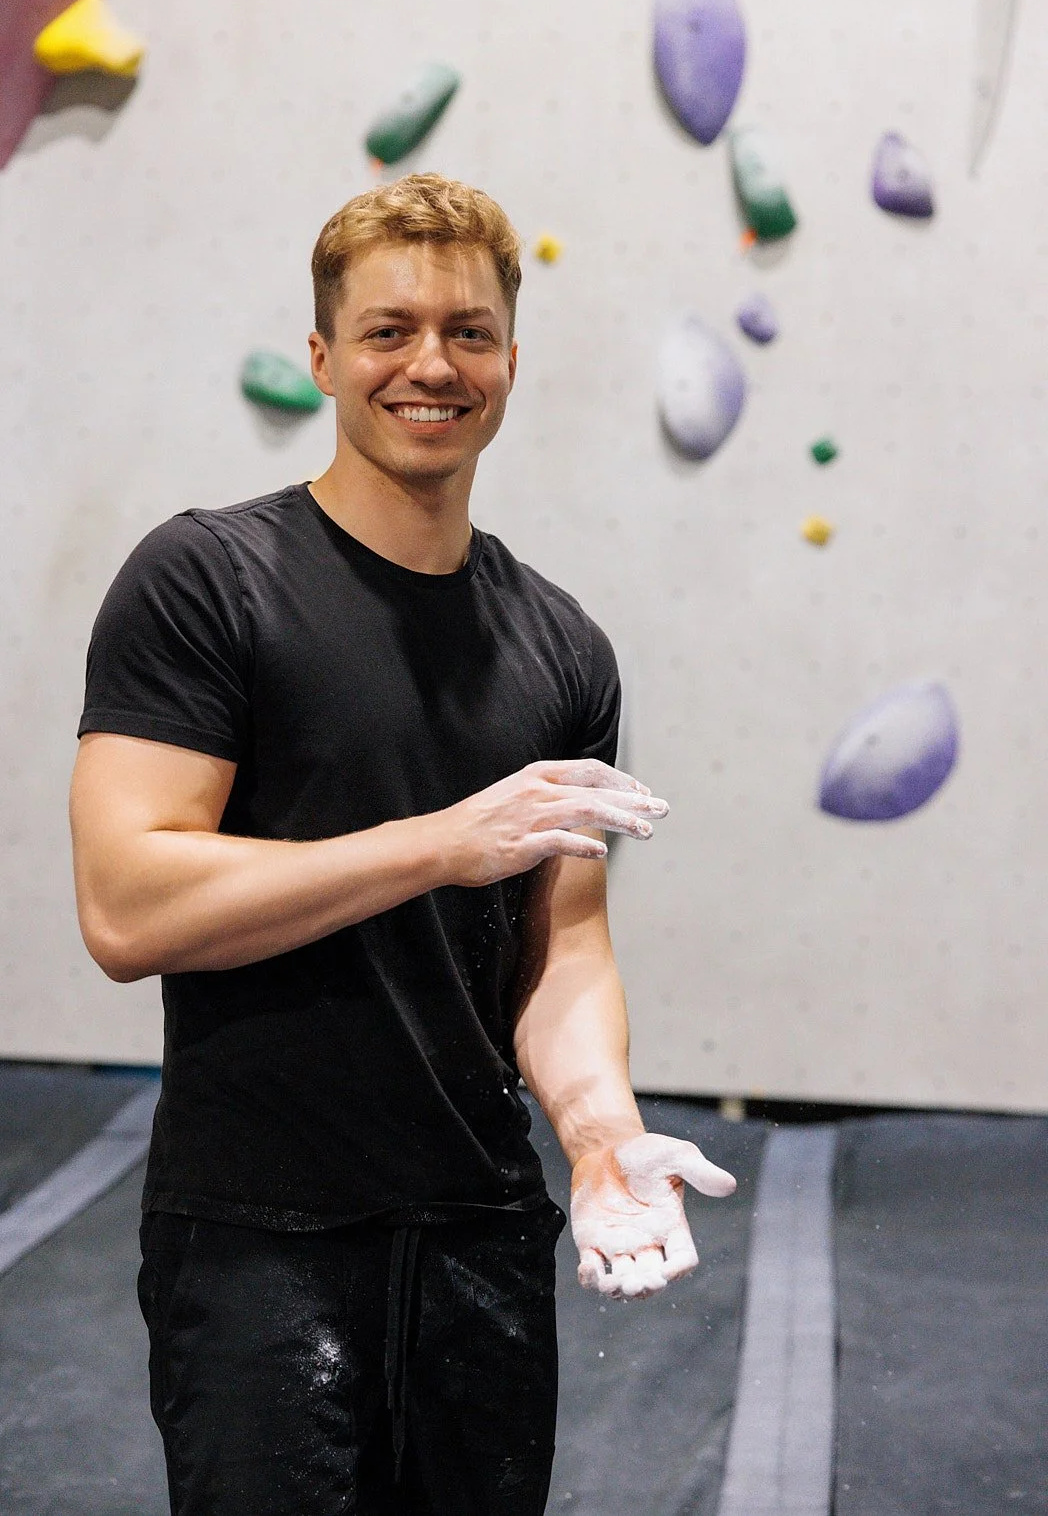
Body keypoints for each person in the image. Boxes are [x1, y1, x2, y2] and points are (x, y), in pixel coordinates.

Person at [68, 171, 737, 1516]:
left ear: (509, 362)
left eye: (468, 332)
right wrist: (439, 842)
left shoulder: (560, 644)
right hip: (258, 1234)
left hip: (480, 1227)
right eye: (388, 330)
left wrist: (601, 1132)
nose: (430, 363)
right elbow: (128, 904)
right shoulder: (206, 582)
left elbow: (565, 948)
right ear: (323, 357)